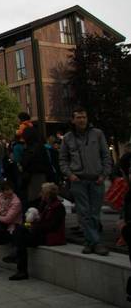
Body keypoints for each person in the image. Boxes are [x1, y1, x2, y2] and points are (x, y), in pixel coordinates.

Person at [59, 107, 111, 256]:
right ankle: (97, 243)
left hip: (97, 179)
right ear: (73, 120)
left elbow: (106, 155)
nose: (81, 120)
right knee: (84, 213)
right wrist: (69, 175)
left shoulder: (98, 134)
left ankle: (89, 242)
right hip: (78, 180)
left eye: (84, 117)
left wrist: (104, 174)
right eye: (78, 117)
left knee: (94, 213)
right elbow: (62, 159)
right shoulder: (68, 138)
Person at [7, 182, 66, 280]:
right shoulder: (45, 204)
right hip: (41, 233)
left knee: (21, 238)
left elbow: (53, 226)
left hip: (51, 236)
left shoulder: (58, 207)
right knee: (20, 229)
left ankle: (21, 268)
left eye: (42, 192)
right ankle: (17, 261)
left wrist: (34, 227)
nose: (40, 194)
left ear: (48, 194)